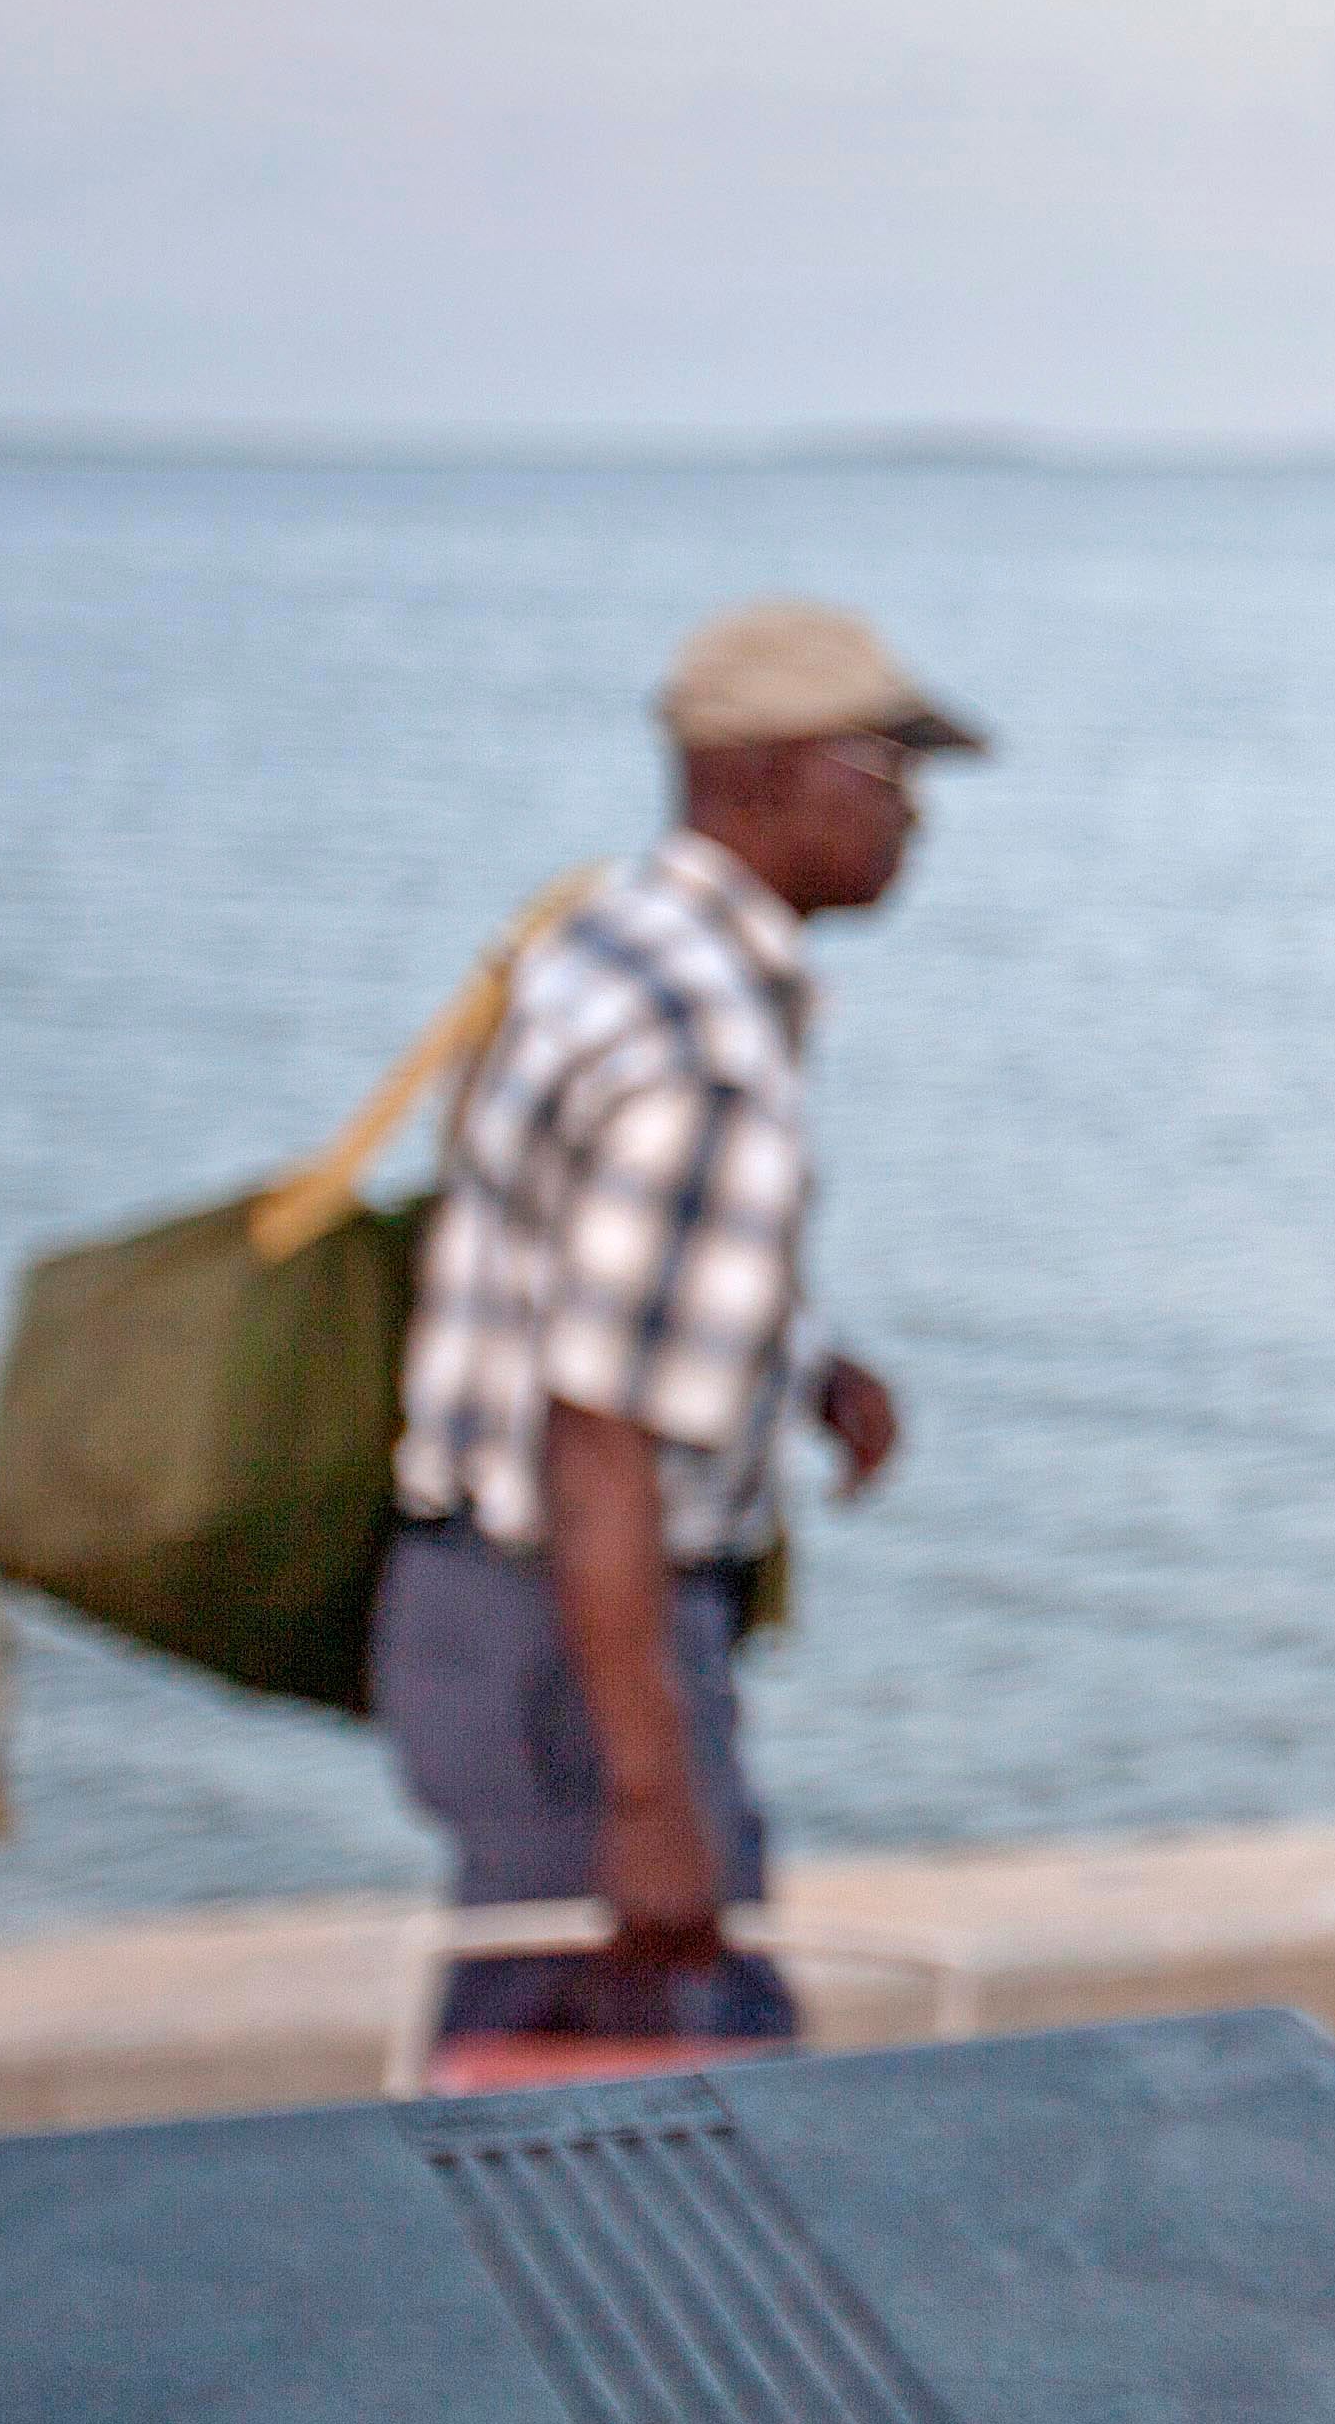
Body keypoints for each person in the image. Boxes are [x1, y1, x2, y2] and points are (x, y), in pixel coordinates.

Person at [374, 598, 987, 2041]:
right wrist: (651, 1799)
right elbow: (599, 1438)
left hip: (486, 1613)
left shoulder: (606, 939)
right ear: (774, 773)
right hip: (578, 1639)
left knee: (580, 2075)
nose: (917, 821)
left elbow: (565, 1271)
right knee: (647, 2085)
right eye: (892, 774)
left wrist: (801, 1370)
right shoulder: (707, 1053)